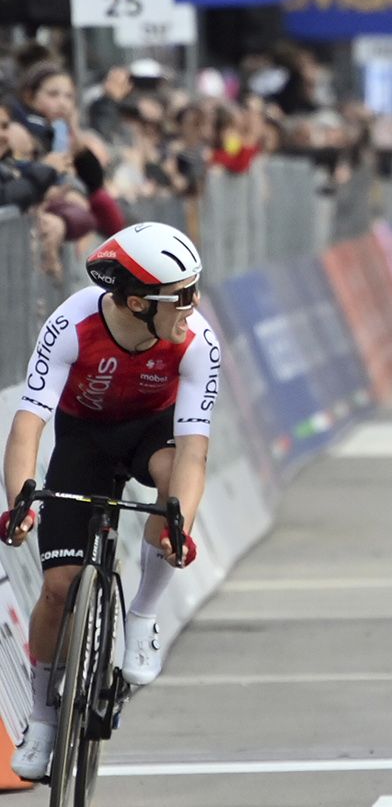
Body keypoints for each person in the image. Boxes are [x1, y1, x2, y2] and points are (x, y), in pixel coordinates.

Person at [4, 223, 218, 779]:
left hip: (155, 435)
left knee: (173, 487)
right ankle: (45, 720)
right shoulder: (73, 323)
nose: (193, 306)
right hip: (86, 440)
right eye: (182, 296)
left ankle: (144, 614)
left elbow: (195, 451)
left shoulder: (199, 340)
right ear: (135, 302)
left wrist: (179, 527)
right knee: (57, 587)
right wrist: (21, 501)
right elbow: (29, 423)